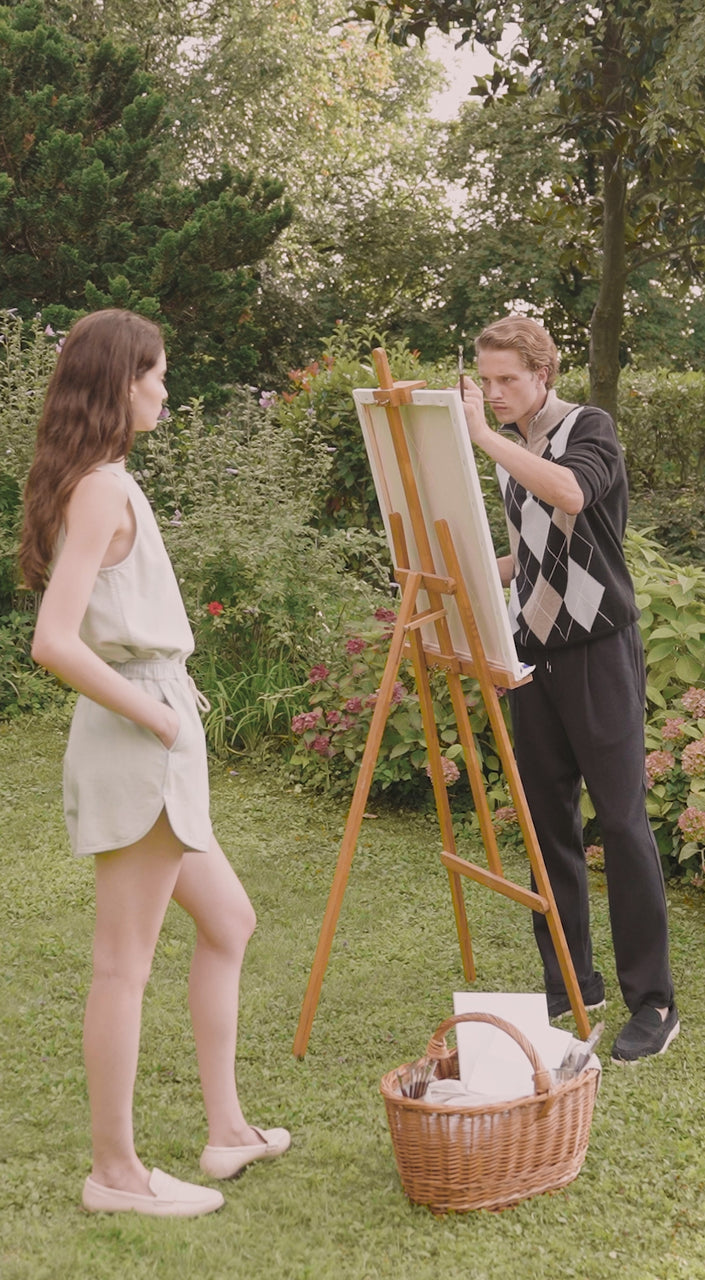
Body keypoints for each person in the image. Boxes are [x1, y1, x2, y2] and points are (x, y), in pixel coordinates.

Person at [21, 309, 290, 1216]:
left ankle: (227, 1134)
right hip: (142, 738)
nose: (167, 389)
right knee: (120, 966)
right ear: (122, 381)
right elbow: (53, 643)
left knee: (231, 922)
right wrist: (160, 719)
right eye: (159, 374)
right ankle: (116, 1174)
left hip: (157, 732)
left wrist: (170, 719)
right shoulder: (101, 488)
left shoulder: (105, 481)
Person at [461, 314, 678, 1064]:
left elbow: (574, 496)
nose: (494, 394)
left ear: (542, 374)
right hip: (534, 652)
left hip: (600, 652)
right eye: (486, 382)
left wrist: (486, 440)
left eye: (507, 381)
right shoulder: (512, 447)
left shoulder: (589, 427)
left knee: (620, 823)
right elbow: (534, 550)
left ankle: (653, 1001)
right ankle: (569, 982)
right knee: (547, 821)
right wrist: (466, 575)